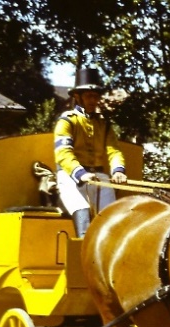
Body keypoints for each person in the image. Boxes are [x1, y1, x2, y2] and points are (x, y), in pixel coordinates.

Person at [54, 67, 128, 236]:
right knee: (83, 213)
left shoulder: (104, 124)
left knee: (112, 219)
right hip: (71, 178)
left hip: (99, 178)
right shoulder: (67, 121)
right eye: (89, 96)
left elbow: (114, 150)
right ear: (77, 97)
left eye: (96, 96)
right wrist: (81, 174)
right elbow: (63, 153)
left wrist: (118, 171)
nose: (93, 100)